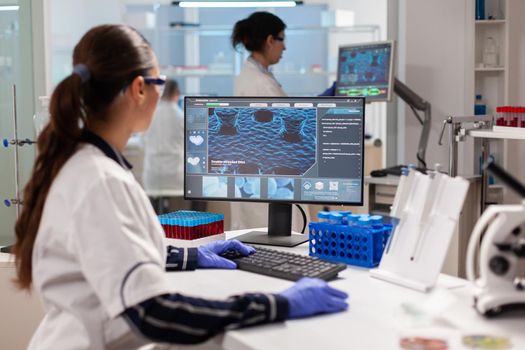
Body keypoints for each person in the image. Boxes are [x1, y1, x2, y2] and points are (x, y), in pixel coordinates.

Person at [12, 24, 348, 349]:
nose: (160, 93)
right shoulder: (99, 180)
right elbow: (153, 313)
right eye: (158, 82)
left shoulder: (83, 164)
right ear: (139, 89)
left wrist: (189, 255)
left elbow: (110, 256)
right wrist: (277, 305)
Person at [141, 78, 184, 211]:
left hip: (153, 177)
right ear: (177, 93)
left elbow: (142, 144)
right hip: (175, 177)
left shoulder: (150, 115)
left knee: (155, 217)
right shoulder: (181, 116)